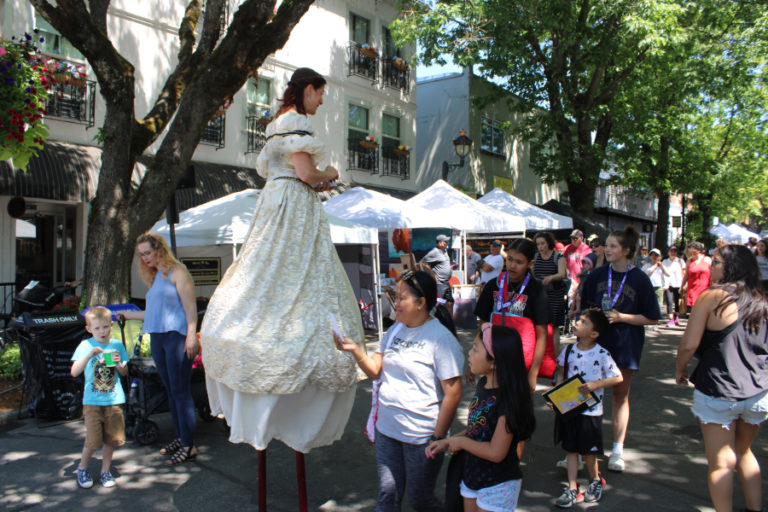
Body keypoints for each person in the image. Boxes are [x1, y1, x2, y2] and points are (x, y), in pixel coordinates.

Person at [199, 68, 365, 454]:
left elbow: (293, 171)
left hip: (275, 202)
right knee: (299, 272)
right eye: (320, 93)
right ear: (308, 90)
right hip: (292, 205)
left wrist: (315, 177)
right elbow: (306, 173)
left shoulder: (278, 125)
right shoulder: (296, 122)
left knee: (266, 271)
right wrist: (332, 173)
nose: (321, 101)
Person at [334, 270, 464, 512]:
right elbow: (374, 370)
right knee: (387, 495)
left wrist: (437, 437)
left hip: (420, 437)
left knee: (420, 500)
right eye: (395, 296)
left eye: (401, 297)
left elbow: (454, 392)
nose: (395, 302)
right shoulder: (395, 330)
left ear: (421, 302)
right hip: (387, 431)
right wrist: (355, 351)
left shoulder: (441, 340)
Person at [675, 244, 768, 512]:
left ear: (731, 266)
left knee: (720, 463)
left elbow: (689, 344)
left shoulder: (711, 297)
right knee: (743, 452)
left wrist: (680, 368)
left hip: (718, 390)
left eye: (715, 262)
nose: (710, 266)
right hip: (758, 392)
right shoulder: (761, 298)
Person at [425, 323, 536, 512]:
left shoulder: (508, 401)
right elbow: (477, 428)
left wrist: (460, 443)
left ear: (494, 362)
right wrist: (449, 441)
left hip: (497, 483)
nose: (470, 352)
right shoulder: (483, 384)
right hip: (473, 475)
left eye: (476, 349)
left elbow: (496, 452)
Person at [577, 226, 661, 472]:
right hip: (594, 343)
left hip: (626, 343)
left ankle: (617, 450)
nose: (608, 250)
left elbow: (652, 318)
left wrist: (622, 317)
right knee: (586, 393)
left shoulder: (640, 279)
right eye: (607, 245)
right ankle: (581, 448)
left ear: (626, 251)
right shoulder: (597, 275)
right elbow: (587, 308)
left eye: (614, 246)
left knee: (619, 395)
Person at [119, 232, 199, 464]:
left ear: (160, 250)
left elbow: (190, 307)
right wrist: (126, 314)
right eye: (141, 255)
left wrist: (191, 336)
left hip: (176, 337)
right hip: (158, 337)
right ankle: (181, 436)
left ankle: (188, 445)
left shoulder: (178, 271)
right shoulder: (157, 278)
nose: (144, 258)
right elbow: (151, 313)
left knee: (181, 391)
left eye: (148, 253)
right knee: (171, 391)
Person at [553, 309, 623, 508]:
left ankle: (595, 480)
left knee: (589, 452)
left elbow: (618, 377)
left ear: (594, 334)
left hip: (591, 411)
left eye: (584, 322)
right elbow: (561, 375)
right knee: (571, 450)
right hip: (570, 408)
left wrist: (596, 385)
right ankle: (572, 487)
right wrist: (556, 396)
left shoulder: (601, 353)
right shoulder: (568, 350)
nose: (577, 322)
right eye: (578, 319)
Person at [475, 238, 549, 392]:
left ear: (529, 264)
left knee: (514, 411)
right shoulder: (492, 286)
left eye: (519, 262)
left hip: (521, 364)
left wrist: (533, 373)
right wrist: (476, 356)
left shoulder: (536, 291)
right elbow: (481, 325)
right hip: (492, 361)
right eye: (509, 259)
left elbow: (542, 335)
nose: (512, 266)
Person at [71, 307, 129, 488]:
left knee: (111, 438)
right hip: (92, 401)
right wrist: (90, 355)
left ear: (111, 325)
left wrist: (119, 363)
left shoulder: (116, 345)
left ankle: (105, 471)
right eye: (97, 328)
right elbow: (74, 372)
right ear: (89, 329)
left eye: (105, 327)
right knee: (93, 439)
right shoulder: (85, 346)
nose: (102, 331)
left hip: (113, 399)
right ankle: (83, 467)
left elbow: (124, 372)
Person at [533, 231, 567, 352]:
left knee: (554, 327)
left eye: (543, 243)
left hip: (555, 294)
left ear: (548, 243)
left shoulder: (558, 256)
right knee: (540, 326)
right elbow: (533, 274)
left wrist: (551, 278)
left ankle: (555, 356)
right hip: (540, 295)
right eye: (538, 244)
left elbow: (562, 273)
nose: (540, 247)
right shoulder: (536, 257)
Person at [420, 234, 455, 313]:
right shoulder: (434, 252)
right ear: (440, 243)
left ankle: (449, 323)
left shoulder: (445, 251)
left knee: (450, 302)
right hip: (439, 283)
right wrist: (432, 273)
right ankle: (437, 322)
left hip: (446, 282)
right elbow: (422, 262)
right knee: (438, 304)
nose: (447, 243)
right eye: (445, 241)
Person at [642, 248, 670, 329]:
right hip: (648, 287)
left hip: (658, 287)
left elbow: (668, 274)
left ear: (659, 256)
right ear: (650, 256)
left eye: (656, 255)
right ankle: (647, 320)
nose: (654, 256)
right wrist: (654, 268)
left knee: (657, 305)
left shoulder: (661, 265)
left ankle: (655, 322)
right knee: (648, 304)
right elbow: (644, 277)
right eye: (652, 255)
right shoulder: (646, 266)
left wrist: (661, 266)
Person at [562, 229, 592, 301]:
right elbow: (563, 260)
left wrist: (581, 275)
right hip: (569, 279)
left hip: (580, 279)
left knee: (577, 300)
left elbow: (589, 266)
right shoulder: (568, 248)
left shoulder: (587, 249)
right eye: (572, 238)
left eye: (575, 238)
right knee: (569, 299)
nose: (573, 240)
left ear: (581, 238)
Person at [682, 241, 712, 310]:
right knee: (695, 309)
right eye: (691, 249)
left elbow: (713, 273)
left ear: (699, 250)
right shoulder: (689, 261)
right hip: (693, 288)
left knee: (704, 308)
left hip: (705, 288)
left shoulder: (707, 259)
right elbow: (686, 275)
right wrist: (682, 286)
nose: (692, 251)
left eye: (694, 249)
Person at [663, 246, 686, 326]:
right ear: (668, 252)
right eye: (671, 251)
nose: (673, 253)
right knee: (669, 301)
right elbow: (663, 271)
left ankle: (676, 316)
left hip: (678, 284)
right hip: (668, 284)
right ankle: (670, 319)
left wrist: (683, 284)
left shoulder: (680, 261)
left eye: (674, 251)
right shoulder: (665, 261)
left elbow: (684, 272)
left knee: (677, 302)